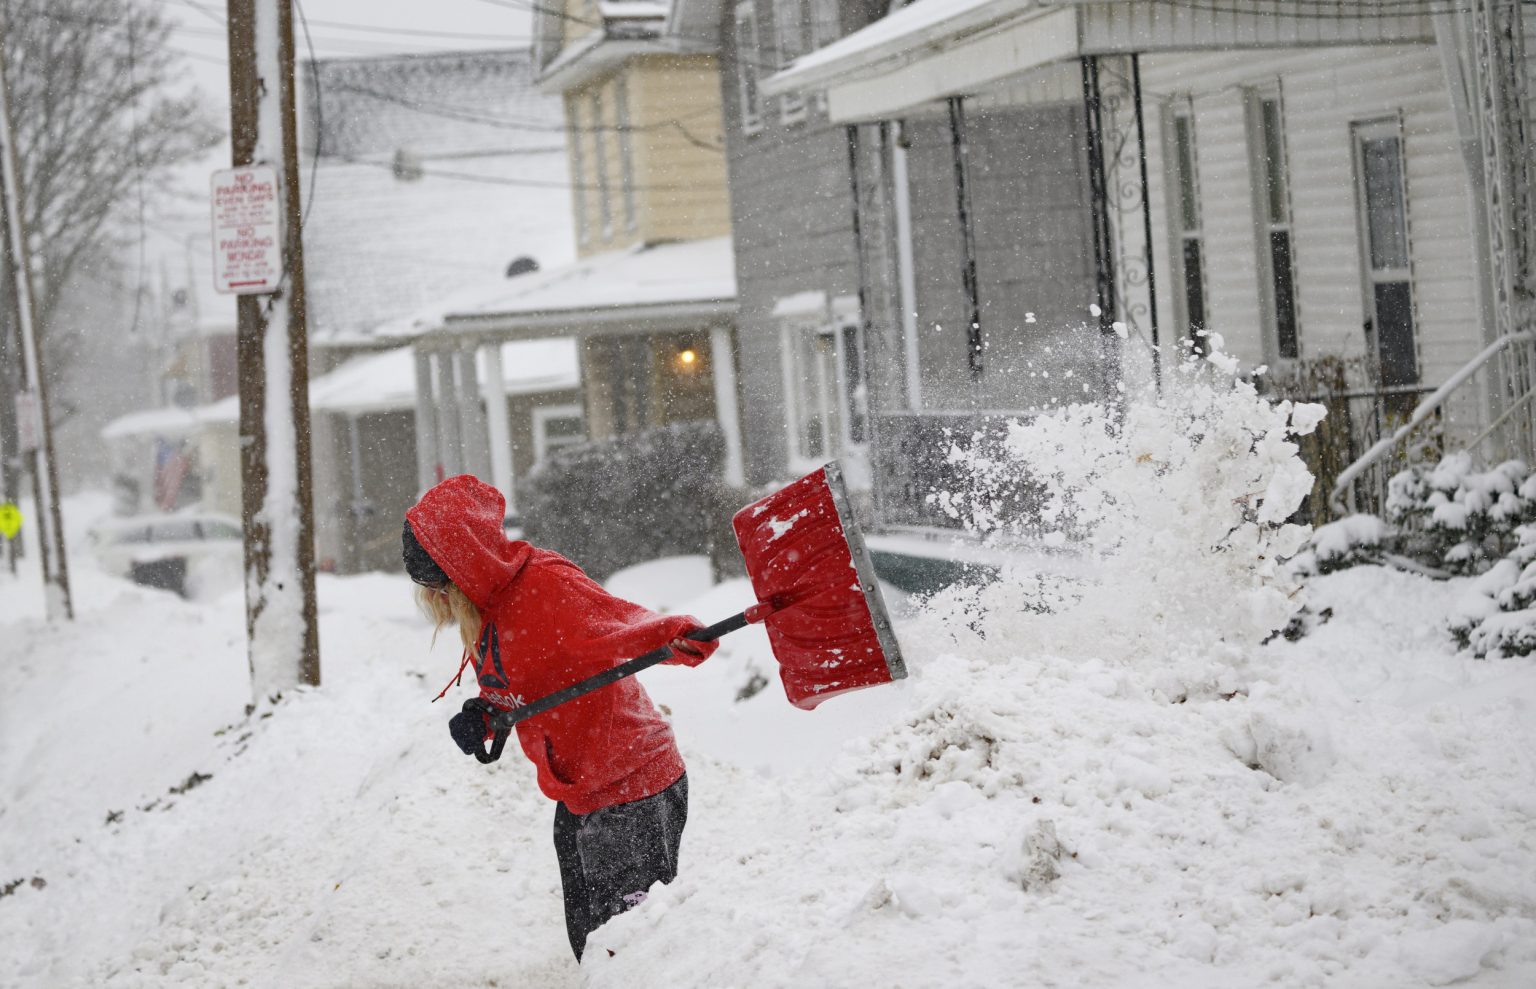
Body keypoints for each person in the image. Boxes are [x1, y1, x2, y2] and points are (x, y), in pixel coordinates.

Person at [403, 474, 719, 962]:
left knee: (629, 955)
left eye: (438, 586)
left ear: (461, 568)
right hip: (580, 795)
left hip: (633, 789)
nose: (435, 601)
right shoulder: (488, 611)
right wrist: (486, 715)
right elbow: (531, 682)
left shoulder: (546, 585)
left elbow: (623, 622)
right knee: (591, 947)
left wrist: (678, 635)